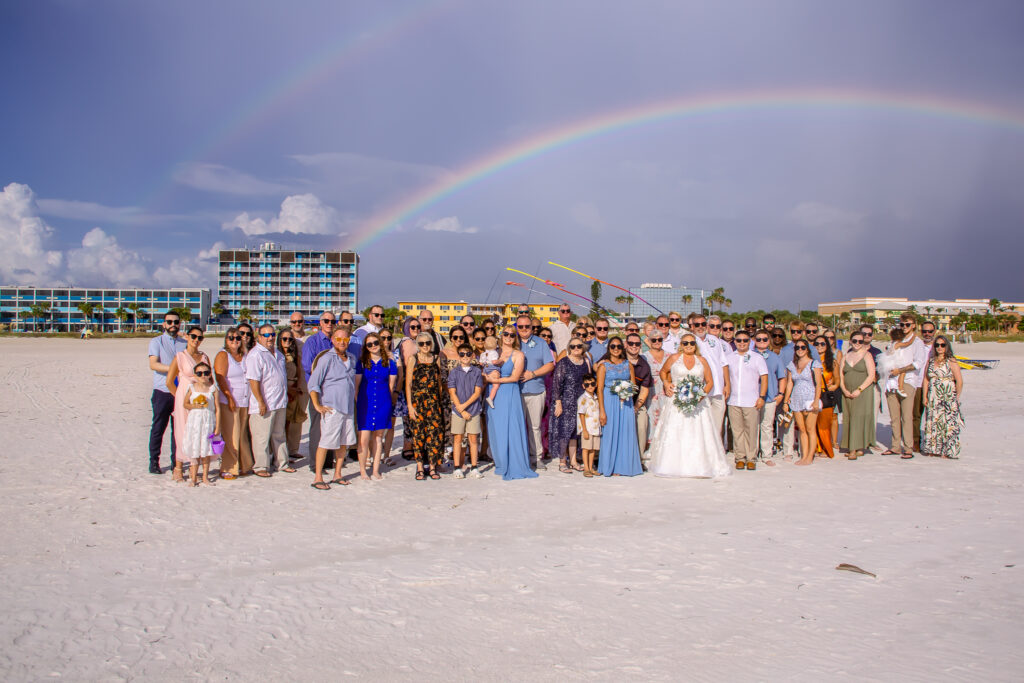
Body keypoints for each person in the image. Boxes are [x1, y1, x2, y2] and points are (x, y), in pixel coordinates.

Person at [649, 333, 732, 478]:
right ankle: (672, 465)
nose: (689, 346)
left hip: (698, 403)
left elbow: (709, 382)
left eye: (692, 343)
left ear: (695, 345)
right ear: (681, 345)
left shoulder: (702, 360)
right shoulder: (674, 358)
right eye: (686, 343)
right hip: (676, 401)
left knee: (698, 431)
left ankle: (700, 465)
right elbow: (663, 372)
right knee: (676, 430)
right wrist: (667, 383)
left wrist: (700, 396)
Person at [484, 326, 538, 480]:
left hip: (509, 392)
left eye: (512, 335)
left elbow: (515, 377)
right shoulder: (495, 352)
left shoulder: (519, 354)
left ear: (515, 338)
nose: (508, 337)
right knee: (496, 427)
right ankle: (500, 462)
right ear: (501, 336)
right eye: (505, 334)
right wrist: (487, 378)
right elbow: (484, 368)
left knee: (511, 427)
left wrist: (495, 380)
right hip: (493, 394)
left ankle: (513, 462)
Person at [308, 328, 358, 489]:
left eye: (345, 339)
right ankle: (318, 477)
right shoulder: (326, 358)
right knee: (326, 442)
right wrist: (317, 405)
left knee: (343, 443)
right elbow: (313, 383)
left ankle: (338, 474)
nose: (342, 342)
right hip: (332, 407)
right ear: (333, 340)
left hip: (348, 407)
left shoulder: (352, 358)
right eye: (338, 339)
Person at [246, 324, 296, 478]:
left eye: (272, 335)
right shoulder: (256, 355)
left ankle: (282, 463)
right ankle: (261, 466)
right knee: (261, 437)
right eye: (266, 335)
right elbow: (253, 381)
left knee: (279, 434)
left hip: (279, 402)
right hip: (264, 404)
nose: (270, 338)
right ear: (259, 337)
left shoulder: (279, 355)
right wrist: (260, 401)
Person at [165, 325, 211, 483]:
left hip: (200, 397)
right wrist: (178, 396)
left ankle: (194, 467)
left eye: (200, 338)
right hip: (183, 397)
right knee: (182, 431)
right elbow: (169, 381)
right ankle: (178, 468)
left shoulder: (204, 357)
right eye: (193, 336)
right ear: (187, 337)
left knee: (198, 431)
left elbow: (209, 379)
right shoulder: (180, 356)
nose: (196, 340)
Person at [595, 337, 643, 477]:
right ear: (609, 348)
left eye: (618, 346)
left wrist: (627, 392)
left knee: (626, 433)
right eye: (613, 346)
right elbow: (599, 389)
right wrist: (602, 411)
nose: (616, 349)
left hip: (626, 402)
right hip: (609, 402)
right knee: (610, 433)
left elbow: (634, 385)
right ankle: (610, 465)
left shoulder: (628, 365)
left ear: (622, 348)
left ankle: (625, 466)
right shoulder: (603, 366)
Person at [147, 311, 186, 474]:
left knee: (178, 430)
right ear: (164, 324)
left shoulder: (184, 343)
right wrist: (174, 369)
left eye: (176, 322)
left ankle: (175, 462)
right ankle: (154, 462)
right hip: (162, 391)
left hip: (179, 392)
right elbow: (154, 365)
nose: (173, 325)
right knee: (158, 428)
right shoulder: (156, 341)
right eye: (169, 322)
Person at [884, 314, 928, 459]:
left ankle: (908, 447)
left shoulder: (917, 342)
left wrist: (901, 370)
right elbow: (888, 356)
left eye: (907, 324)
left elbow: (918, 363)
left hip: (908, 381)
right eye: (902, 324)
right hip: (891, 382)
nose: (904, 327)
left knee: (907, 416)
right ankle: (895, 446)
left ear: (914, 325)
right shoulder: (896, 339)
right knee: (894, 417)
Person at [355, 333, 397, 480]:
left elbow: (391, 386)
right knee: (364, 438)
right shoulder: (361, 362)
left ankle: (375, 470)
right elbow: (357, 386)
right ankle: (362, 471)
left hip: (382, 402)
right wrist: (358, 403)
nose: (373, 346)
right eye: (369, 344)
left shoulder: (390, 363)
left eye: (375, 343)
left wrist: (387, 402)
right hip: (365, 403)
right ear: (366, 347)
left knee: (379, 437)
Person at [516, 314, 555, 470]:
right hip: (515, 391)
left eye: (527, 326)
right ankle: (519, 458)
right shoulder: (513, 342)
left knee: (535, 426)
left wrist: (532, 374)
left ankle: (537, 457)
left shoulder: (540, 343)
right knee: (517, 426)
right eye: (521, 327)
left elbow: (550, 365)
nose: (524, 329)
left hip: (536, 390)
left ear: (532, 327)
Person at [548, 335, 592, 473]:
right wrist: (558, 403)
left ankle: (573, 461)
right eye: (573, 346)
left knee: (574, 433)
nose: (576, 348)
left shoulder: (585, 362)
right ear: (569, 348)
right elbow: (556, 384)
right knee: (564, 432)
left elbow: (589, 380)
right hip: (566, 401)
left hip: (580, 401)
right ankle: (562, 462)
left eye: (579, 346)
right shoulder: (564, 362)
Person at [214, 328, 253, 479]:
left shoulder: (244, 356)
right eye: (231, 338)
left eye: (238, 337)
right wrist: (229, 396)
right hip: (230, 401)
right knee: (231, 435)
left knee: (242, 435)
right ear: (226, 339)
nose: (235, 340)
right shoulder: (223, 355)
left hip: (244, 401)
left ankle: (244, 464)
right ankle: (228, 467)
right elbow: (220, 378)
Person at [406, 332, 446, 480]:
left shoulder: (436, 359)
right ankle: (420, 467)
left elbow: (440, 383)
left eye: (427, 343)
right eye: (421, 343)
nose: (425, 346)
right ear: (418, 345)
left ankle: (433, 467)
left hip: (434, 402)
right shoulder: (413, 359)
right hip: (418, 403)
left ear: (432, 344)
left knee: (434, 434)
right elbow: (408, 384)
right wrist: (410, 406)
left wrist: (440, 402)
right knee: (418, 435)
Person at [301, 311, 338, 472]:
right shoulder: (312, 341)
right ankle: (315, 464)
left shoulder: (335, 341)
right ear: (320, 323)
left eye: (332, 320)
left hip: (333, 391)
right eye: (326, 320)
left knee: (331, 426)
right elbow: (307, 367)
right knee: (317, 427)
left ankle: (328, 461)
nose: (329, 323)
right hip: (318, 390)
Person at [726, 331, 768, 470]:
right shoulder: (729, 357)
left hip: (751, 401)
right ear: (735, 341)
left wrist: (762, 397)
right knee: (737, 431)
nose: (742, 343)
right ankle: (740, 457)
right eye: (739, 340)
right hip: (734, 400)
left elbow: (764, 377)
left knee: (751, 430)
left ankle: (751, 458)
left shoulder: (757, 357)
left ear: (749, 341)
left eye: (745, 340)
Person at [920, 335, 964, 459]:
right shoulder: (931, 361)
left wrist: (956, 397)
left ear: (947, 347)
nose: (939, 347)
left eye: (942, 345)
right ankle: (933, 449)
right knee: (933, 422)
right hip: (933, 395)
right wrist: (925, 396)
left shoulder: (951, 361)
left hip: (948, 395)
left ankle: (947, 450)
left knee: (947, 423)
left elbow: (959, 381)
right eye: (937, 345)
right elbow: (926, 379)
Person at [782, 340, 823, 466]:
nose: (800, 349)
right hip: (796, 398)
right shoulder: (792, 364)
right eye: (797, 347)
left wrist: (816, 401)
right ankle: (804, 455)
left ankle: (810, 456)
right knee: (802, 429)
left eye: (803, 347)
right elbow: (789, 383)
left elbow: (818, 384)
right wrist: (785, 400)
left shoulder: (814, 364)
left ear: (807, 349)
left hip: (810, 398)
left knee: (810, 429)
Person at [448, 343, 485, 478]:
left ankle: (474, 466)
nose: (465, 356)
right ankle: (457, 467)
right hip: (458, 411)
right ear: (458, 356)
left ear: (472, 355)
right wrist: (461, 408)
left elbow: (477, 392)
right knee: (457, 438)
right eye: (462, 354)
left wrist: (465, 406)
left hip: (473, 410)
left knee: (473, 438)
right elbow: (452, 392)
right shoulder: (454, 372)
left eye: (468, 354)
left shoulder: (476, 372)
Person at [689, 314, 731, 434]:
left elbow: (724, 363)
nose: (700, 327)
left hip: (719, 390)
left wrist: (727, 384)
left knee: (717, 425)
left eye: (703, 324)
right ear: (692, 326)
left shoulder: (714, 340)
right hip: (702, 391)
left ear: (706, 326)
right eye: (697, 324)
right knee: (702, 426)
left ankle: (716, 451)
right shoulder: (689, 341)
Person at [182, 361, 221, 487]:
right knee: (195, 449)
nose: (203, 375)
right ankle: (193, 478)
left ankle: (205, 477)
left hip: (208, 420)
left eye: (206, 373)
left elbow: (217, 408)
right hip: (195, 420)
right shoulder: (192, 387)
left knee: (206, 449)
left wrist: (218, 426)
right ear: (195, 375)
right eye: (200, 373)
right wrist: (195, 406)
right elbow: (185, 403)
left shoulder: (213, 389)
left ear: (210, 374)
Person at [840, 332, 877, 459]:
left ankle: (853, 449)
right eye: (855, 340)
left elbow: (871, 376)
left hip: (863, 391)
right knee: (849, 418)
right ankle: (858, 446)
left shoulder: (867, 355)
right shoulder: (846, 356)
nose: (857, 343)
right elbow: (841, 376)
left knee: (859, 418)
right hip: (847, 391)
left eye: (860, 341)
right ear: (850, 341)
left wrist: (859, 389)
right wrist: (844, 390)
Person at [753, 329, 787, 466]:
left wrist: (780, 394)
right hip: (753, 397)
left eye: (765, 339)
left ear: (769, 341)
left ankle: (766, 454)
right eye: (759, 339)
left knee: (767, 426)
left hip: (770, 397)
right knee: (754, 426)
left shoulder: (774, 357)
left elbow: (782, 377)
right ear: (755, 341)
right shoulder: (750, 355)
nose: (762, 342)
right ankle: (753, 453)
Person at [624, 332, 653, 466]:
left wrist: (636, 406)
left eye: (637, 344)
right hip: (618, 402)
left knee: (642, 423)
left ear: (640, 346)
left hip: (636, 403)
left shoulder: (644, 365)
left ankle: (639, 459)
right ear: (626, 344)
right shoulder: (618, 358)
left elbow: (644, 389)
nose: (634, 346)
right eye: (631, 343)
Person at [278, 329, 308, 462]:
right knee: (281, 425)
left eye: (290, 339)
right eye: (285, 339)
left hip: (294, 388)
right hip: (283, 390)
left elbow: (299, 372)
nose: (288, 342)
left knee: (291, 422)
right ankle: (280, 454)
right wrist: (289, 389)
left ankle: (289, 451)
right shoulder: (277, 355)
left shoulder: (294, 355)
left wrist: (297, 388)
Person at [812, 335, 839, 459]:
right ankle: (816, 448)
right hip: (812, 395)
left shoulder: (832, 362)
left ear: (827, 346)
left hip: (825, 395)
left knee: (824, 425)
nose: (819, 346)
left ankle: (826, 449)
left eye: (822, 344)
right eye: (817, 344)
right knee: (813, 424)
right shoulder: (810, 360)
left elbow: (837, 381)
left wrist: (830, 388)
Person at [912, 320, 937, 451]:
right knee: (915, 414)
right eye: (924, 331)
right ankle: (916, 442)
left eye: (930, 331)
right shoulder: (916, 345)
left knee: (933, 415)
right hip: (917, 384)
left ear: (935, 332)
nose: (927, 334)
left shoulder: (939, 346)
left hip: (934, 385)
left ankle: (932, 443)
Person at [381, 329, 403, 469]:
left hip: (393, 394)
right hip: (378, 393)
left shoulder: (395, 354)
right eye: (383, 337)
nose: (387, 340)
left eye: (389, 337)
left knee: (390, 426)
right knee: (375, 426)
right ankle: (372, 455)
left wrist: (395, 392)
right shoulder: (372, 353)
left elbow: (400, 376)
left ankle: (387, 455)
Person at [642, 328, 668, 434]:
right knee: (652, 420)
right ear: (649, 341)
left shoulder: (670, 355)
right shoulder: (644, 357)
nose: (657, 342)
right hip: (651, 392)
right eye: (654, 340)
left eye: (659, 340)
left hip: (666, 392)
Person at [577, 373, 601, 477]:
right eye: (587, 385)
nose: (590, 386)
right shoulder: (583, 398)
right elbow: (581, 414)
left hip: (595, 427)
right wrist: (584, 430)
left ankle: (591, 468)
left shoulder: (596, 397)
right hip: (587, 427)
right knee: (586, 449)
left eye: (592, 384)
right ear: (583, 386)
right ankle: (586, 468)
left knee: (593, 449)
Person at [479, 336, 501, 408]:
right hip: (493, 369)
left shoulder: (483, 354)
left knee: (484, 384)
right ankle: (490, 398)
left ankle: (479, 396)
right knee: (496, 385)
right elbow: (494, 362)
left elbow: (481, 364)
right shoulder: (495, 353)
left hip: (485, 368)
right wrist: (500, 361)